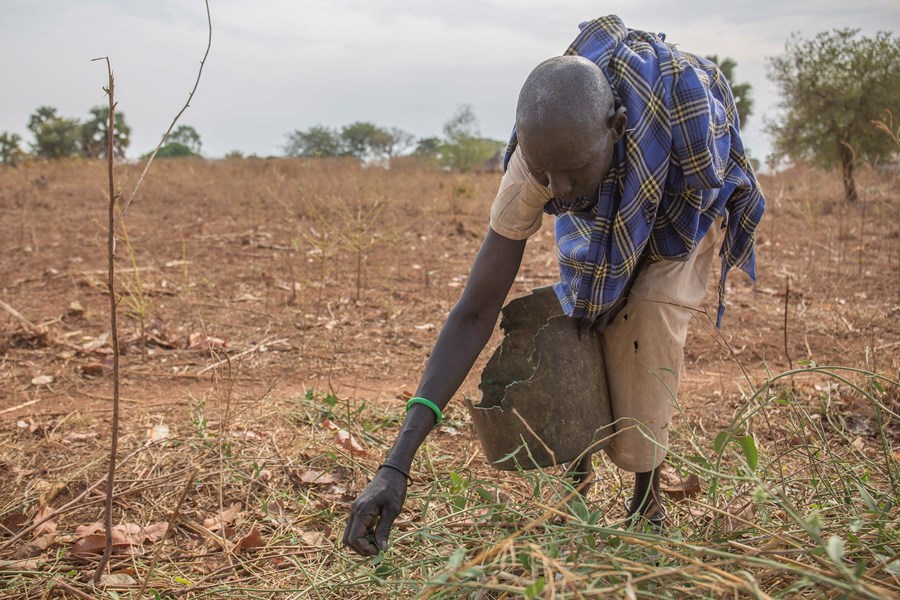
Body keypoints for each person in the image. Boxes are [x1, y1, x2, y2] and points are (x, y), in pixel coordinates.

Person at [343, 15, 765, 556]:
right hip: (612, 184)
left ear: (614, 127)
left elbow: (690, 201)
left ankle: (646, 498)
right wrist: (394, 464)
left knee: (646, 316)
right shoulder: (540, 164)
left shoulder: (677, 136)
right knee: (576, 312)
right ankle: (578, 475)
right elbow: (474, 312)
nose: (559, 190)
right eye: (546, 174)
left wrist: (629, 277)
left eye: (572, 170)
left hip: (685, 208)